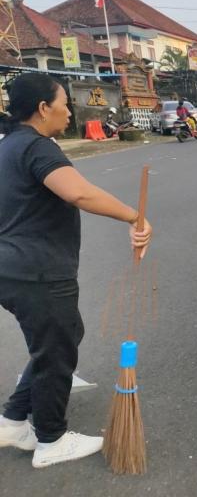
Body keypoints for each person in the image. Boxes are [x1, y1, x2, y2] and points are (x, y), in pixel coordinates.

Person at [0, 73, 152, 468]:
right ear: (42, 108)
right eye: (64, 103)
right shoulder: (38, 147)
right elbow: (79, 192)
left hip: (13, 268)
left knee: (62, 337)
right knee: (56, 350)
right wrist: (135, 216)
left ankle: (13, 419)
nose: (69, 111)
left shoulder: (9, 145)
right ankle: (51, 439)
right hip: (38, 270)